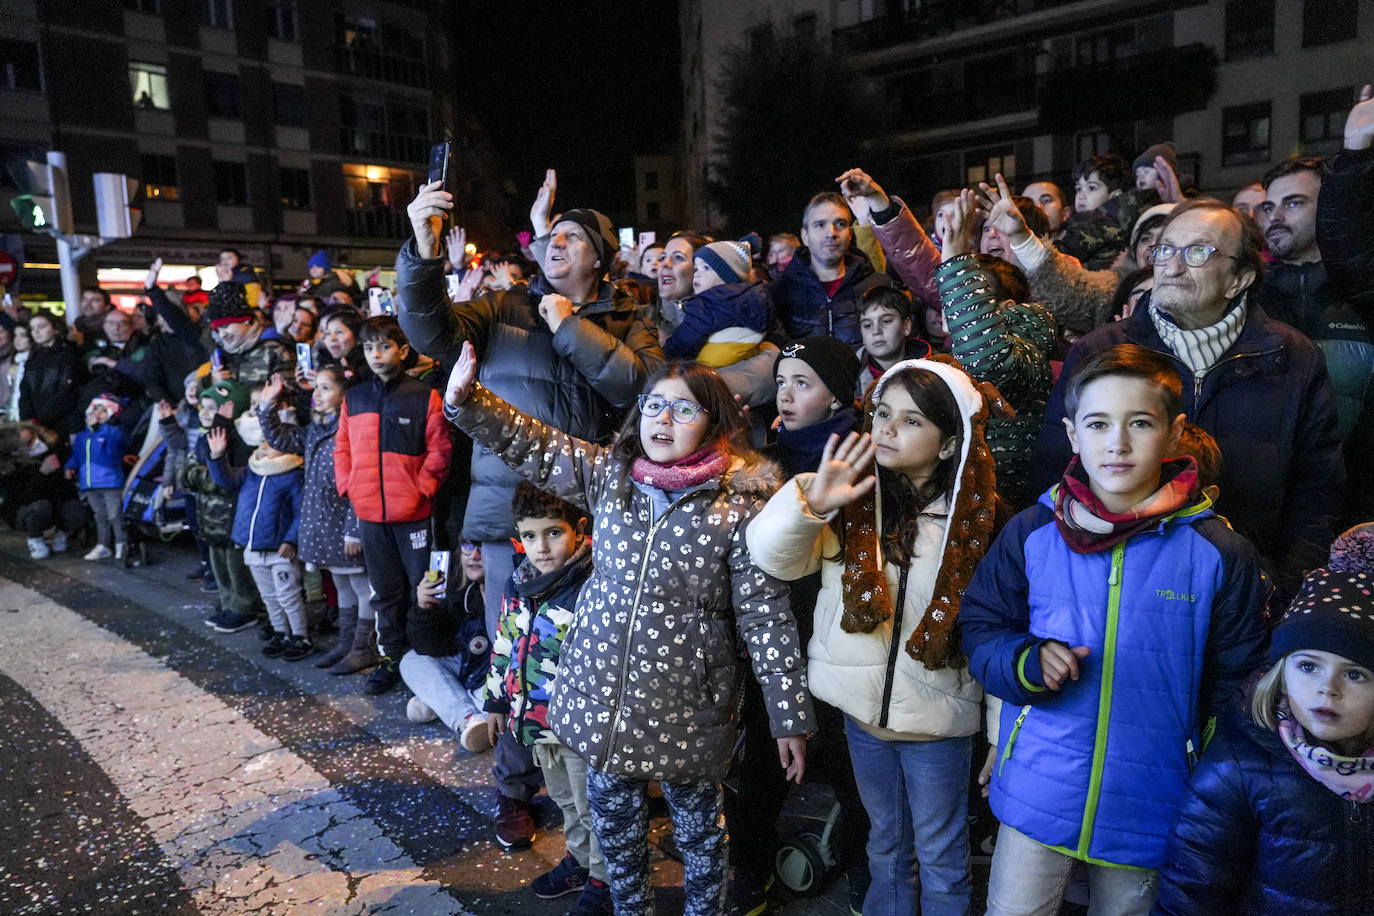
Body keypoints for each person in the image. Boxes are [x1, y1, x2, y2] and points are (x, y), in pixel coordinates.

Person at [444, 346, 813, 916]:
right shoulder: (609, 477)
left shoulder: (737, 507)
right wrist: (470, 400)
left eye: (684, 410)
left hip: (690, 707)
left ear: (714, 423)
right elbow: (537, 446)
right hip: (601, 699)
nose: (663, 420)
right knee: (615, 833)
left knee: (700, 836)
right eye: (653, 405)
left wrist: (789, 715)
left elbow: (765, 614)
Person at [960, 344, 1270, 915]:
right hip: (1039, 787)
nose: (1117, 443)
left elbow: (1241, 684)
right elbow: (980, 626)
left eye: (1140, 423)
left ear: (1176, 433)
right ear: (1073, 434)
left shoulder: (1219, 553)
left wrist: (1204, 772)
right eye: (1098, 423)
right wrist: (1025, 663)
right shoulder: (1034, 530)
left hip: (1154, 800)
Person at [749, 356, 1003, 915]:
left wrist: (1001, 734)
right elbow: (771, 556)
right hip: (862, 721)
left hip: (940, 729)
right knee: (886, 847)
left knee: (942, 857)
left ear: (947, 444)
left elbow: (998, 633)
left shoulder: (982, 521)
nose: (886, 429)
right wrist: (814, 504)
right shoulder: (848, 496)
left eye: (911, 421)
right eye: (882, 413)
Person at [1031, 198, 1344, 597]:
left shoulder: (1293, 358)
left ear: (1240, 278)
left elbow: (1316, 493)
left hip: (1249, 591)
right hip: (1113, 589)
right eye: (1164, 250)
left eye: (1198, 252)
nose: (1172, 267)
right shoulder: (1101, 351)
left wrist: (1287, 592)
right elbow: (1054, 474)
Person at [1154, 524, 1374, 914]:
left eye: (1354, 674)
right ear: (1281, 672)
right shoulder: (1241, 762)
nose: (1328, 688)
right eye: (1308, 666)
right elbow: (1192, 888)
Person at [482, 481, 609, 915]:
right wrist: (497, 701)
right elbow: (504, 644)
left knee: (593, 805)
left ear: (579, 530)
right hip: (536, 723)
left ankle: (605, 879)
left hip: (579, 727)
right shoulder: (518, 585)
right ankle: (580, 859)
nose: (542, 547)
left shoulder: (590, 584)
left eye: (553, 533)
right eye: (530, 536)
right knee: (565, 800)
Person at [335, 317, 452, 694]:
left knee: (424, 588)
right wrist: (349, 487)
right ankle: (392, 658)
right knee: (385, 591)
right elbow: (343, 448)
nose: (376, 354)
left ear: (402, 350)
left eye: (384, 346)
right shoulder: (354, 398)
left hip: (414, 513)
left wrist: (422, 487)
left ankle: (425, 658)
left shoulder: (423, 395)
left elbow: (440, 449)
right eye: (369, 348)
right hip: (370, 514)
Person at [938, 189, 1055, 510]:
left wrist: (956, 263)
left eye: (977, 300)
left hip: (1009, 510)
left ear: (1008, 307)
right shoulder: (946, 362)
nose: (958, 308)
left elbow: (988, 359)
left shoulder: (1023, 345)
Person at [257, 369, 378, 675]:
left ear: (344, 394)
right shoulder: (315, 428)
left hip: (345, 525)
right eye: (317, 388)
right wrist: (267, 407)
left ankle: (364, 648)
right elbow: (279, 437)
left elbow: (360, 481)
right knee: (342, 585)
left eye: (326, 387)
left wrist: (355, 529)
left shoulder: (349, 428)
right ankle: (346, 643)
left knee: (362, 587)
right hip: (324, 526)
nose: (318, 393)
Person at [1255, 155, 1374, 439]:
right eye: (1269, 207)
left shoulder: (1362, 290)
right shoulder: (1250, 294)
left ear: (1332, 205)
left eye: (1294, 203)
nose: (1276, 217)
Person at [208, 414, 309, 661]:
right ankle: (280, 632)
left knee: (288, 595)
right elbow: (226, 480)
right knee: (269, 596)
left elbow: (301, 512)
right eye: (263, 440)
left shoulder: (294, 474)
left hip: (279, 549)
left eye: (270, 441)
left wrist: (291, 539)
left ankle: (300, 636)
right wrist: (218, 456)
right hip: (252, 546)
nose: (263, 446)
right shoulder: (252, 471)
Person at [180, 381, 260, 632]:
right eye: (203, 407)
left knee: (238, 569)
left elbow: (224, 480)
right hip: (211, 518)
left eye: (212, 408)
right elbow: (186, 475)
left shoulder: (243, 441)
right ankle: (228, 603)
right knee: (220, 566)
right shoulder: (206, 437)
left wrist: (204, 476)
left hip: (232, 518)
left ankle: (244, 608)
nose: (204, 412)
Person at [402, 543, 494, 751]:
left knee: (497, 707)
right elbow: (432, 648)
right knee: (411, 661)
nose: (474, 556)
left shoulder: (512, 583)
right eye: (468, 547)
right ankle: (466, 717)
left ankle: (445, 703)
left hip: (493, 673)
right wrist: (423, 609)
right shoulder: (458, 585)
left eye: (482, 548)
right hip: (466, 664)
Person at [768, 191, 890, 346]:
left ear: (850, 234)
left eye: (840, 224)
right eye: (820, 225)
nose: (831, 233)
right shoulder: (778, 293)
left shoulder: (878, 286)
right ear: (805, 236)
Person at [663, 240, 771, 367]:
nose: (697, 274)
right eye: (696, 269)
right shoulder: (758, 299)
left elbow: (683, 342)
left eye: (706, 268)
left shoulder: (707, 303)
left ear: (727, 276)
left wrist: (665, 353)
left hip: (706, 371)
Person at [64, 393, 129, 563]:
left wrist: (103, 426)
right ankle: (103, 545)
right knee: (99, 515)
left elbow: (119, 444)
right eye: (95, 410)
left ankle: (122, 544)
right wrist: (70, 467)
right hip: (89, 483)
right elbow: (76, 455)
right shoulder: (82, 436)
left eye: (103, 411)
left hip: (110, 481)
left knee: (115, 515)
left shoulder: (113, 432)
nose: (97, 414)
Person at [854, 287, 933, 396]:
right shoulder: (849, 375)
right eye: (867, 325)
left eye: (886, 321)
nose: (876, 331)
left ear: (906, 326)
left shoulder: (936, 369)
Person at [20, 310, 84, 434]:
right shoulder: (32, 358)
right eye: (32, 329)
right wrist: (27, 421)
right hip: (36, 425)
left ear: (56, 329)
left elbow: (67, 392)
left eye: (41, 327)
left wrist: (39, 420)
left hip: (63, 424)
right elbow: (25, 391)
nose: (36, 332)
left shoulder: (68, 354)